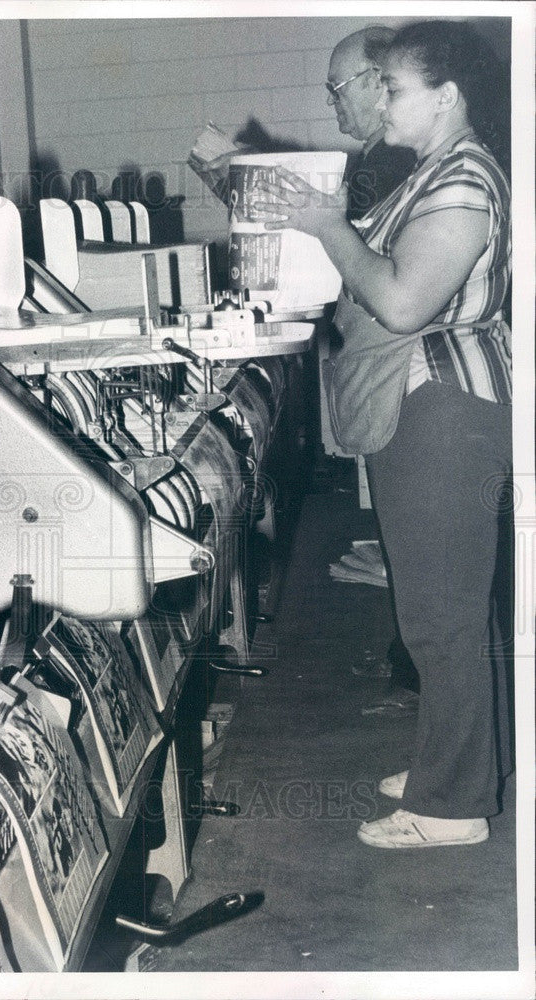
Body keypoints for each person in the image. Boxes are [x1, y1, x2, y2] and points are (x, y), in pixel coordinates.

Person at [260, 20, 512, 848]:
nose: (382, 101)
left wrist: (330, 229)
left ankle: (452, 808)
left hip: (446, 405)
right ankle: (459, 764)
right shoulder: (436, 170)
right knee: (439, 609)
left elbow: (403, 302)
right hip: (427, 402)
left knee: (441, 614)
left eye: (394, 88)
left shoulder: (465, 180)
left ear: (445, 96)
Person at [326, 27, 420, 706]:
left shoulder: (383, 166)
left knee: (414, 545)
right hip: (395, 376)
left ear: (375, 81)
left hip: (403, 380)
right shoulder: (383, 164)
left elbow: (372, 281)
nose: (333, 103)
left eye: (338, 88)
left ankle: (415, 671)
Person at [328, 26, 417, 220]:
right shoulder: (378, 154)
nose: (330, 100)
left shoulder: (396, 162)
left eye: (336, 87)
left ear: (378, 79)